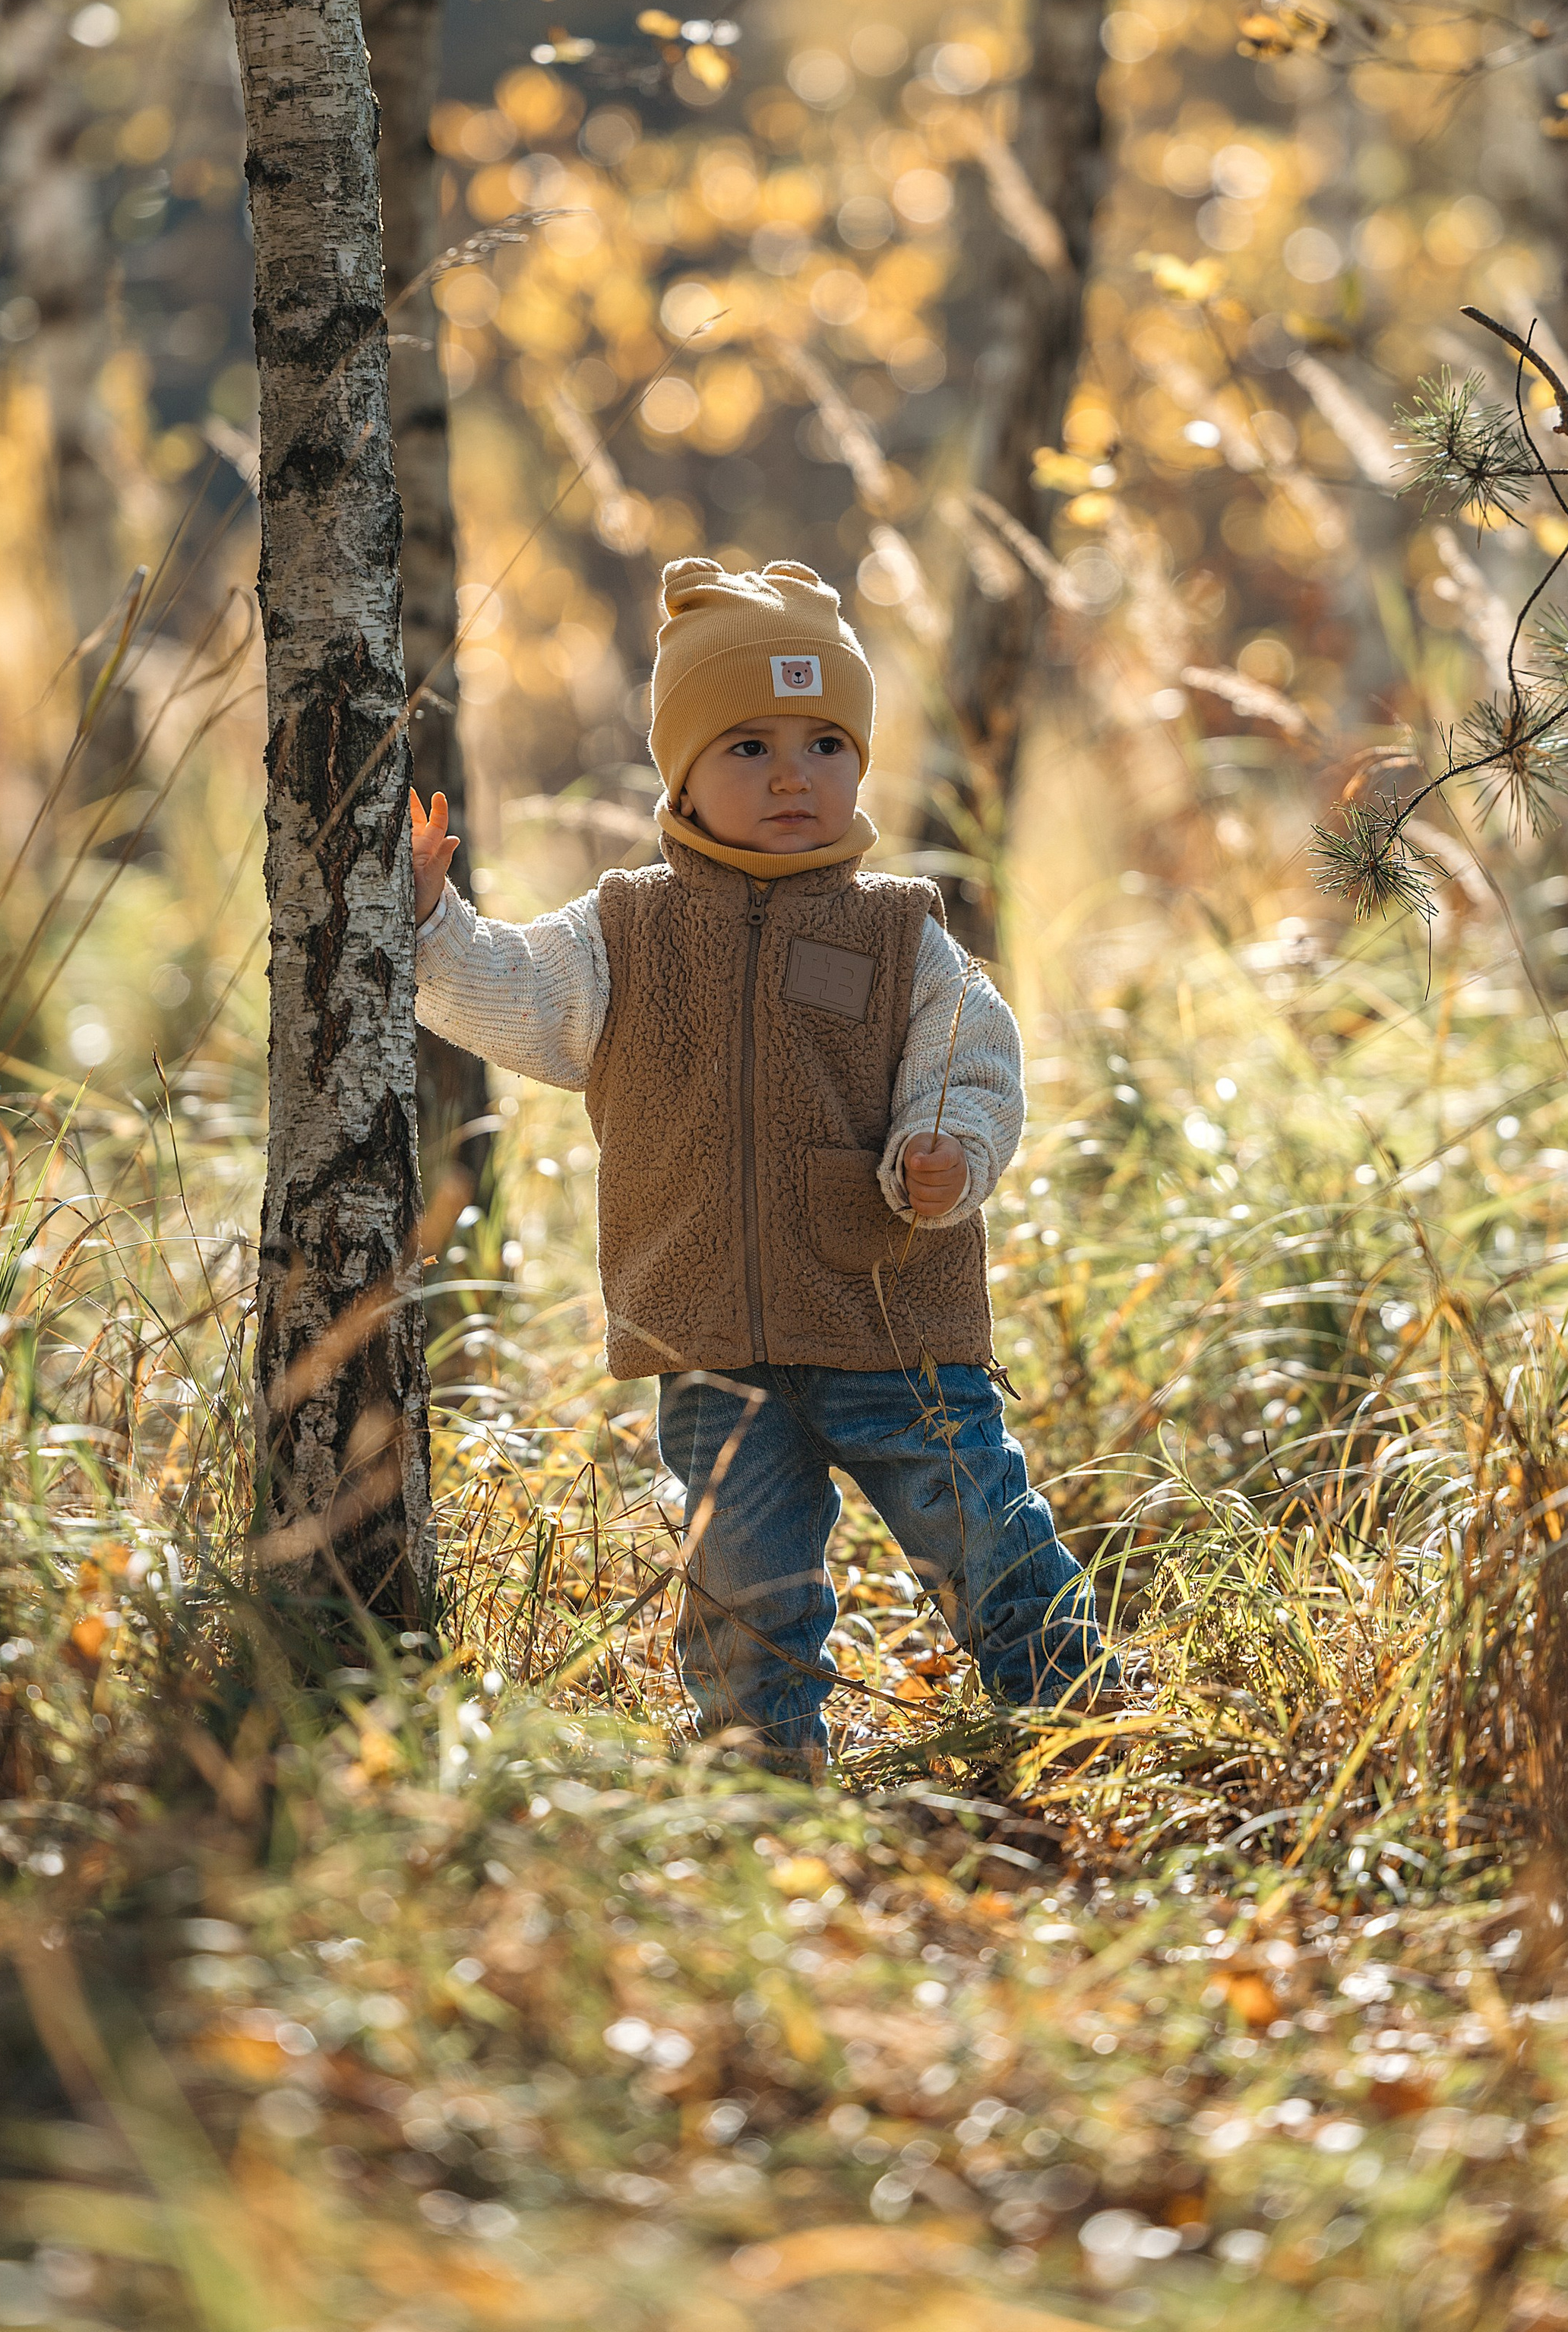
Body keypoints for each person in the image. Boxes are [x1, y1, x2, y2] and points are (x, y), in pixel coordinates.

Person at [413, 556, 1118, 1770]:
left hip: (887, 1313)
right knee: (738, 1569)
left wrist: (943, 1145)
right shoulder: (625, 929)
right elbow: (519, 997)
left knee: (979, 1527)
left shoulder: (899, 927)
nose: (795, 774)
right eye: (747, 746)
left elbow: (967, 1051)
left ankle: (1072, 1704)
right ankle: (759, 1754)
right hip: (707, 1333)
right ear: (680, 771)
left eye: (825, 743)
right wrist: (431, 925)